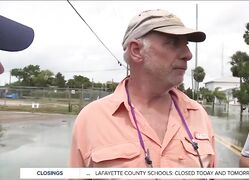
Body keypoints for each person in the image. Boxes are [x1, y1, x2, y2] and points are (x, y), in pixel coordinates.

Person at [69, 9, 216, 168]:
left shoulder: (199, 115)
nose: (188, 54)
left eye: (186, 45)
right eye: (173, 43)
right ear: (136, 50)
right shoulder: (92, 119)